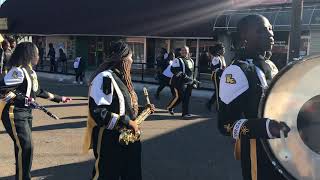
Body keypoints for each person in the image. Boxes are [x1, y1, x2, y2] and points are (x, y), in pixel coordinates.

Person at [218, 14, 291, 180]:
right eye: (262, 30)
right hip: (256, 153)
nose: (270, 33)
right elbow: (226, 125)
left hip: (282, 148)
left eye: (271, 29)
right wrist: (264, 127)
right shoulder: (235, 71)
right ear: (244, 35)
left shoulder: (270, 65)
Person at [0, 42, 71, 180]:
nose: (38, 56)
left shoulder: (30, 71)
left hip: (26, 113)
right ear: (29, 54)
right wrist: (17, 96)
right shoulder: (18, 71)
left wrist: (59, 98)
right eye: (36, 53)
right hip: (14, 113)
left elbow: (37, 91)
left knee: (24, 147)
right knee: (26, 146)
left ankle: (22, 176)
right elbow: (1, 88)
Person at [83, 40, 149, 180]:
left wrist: (144, 110)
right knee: (107, 174)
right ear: (122, 58)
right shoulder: (104, 78)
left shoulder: (122, 78)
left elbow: (123, 106)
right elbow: (98, 111)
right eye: (130, 57)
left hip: (129, 137)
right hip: (110, 139)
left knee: (132, 174)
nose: (132, 60)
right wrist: (125, 122)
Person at [166, 46, 196, 118]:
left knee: (185, 98)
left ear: (188, 51)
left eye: (185, 50)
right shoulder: (177, 60)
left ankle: (170, 107)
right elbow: (173, 69)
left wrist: (193, 81)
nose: (184, 52)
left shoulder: (191, 60)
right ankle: (185, 113)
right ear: (180, 52)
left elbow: (192, 72)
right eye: (182, 50)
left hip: (189, 82)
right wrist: (182, 74)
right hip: (179, 82)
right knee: (184, 97)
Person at [206, 42, 226, 111]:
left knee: (219, 91)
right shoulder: (216, 58)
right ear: (219, 50)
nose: (224, 51)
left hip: (221, 76)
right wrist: (221, 71)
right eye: (223, 49)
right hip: (216, 76)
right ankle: (218, 107)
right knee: (218, 92)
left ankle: (209, 103)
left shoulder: (222, 57)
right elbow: (213, 68)